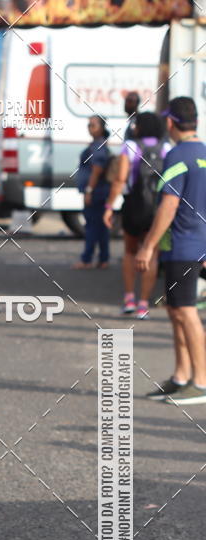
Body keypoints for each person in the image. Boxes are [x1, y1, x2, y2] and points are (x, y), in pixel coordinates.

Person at [136, 96, 206, 405]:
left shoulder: (177, 154)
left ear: (169, 122)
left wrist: (148, 246)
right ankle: (181, 376)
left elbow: (169, 204)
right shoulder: (203, 153)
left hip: (181, 244)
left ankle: (200, 382)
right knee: (176, 309)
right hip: (195, 243)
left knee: (186, 311)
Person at [104, 111, 171, 318]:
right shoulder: (166, 148)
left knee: (130, 252)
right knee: (151, 255)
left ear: (140, 127)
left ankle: (129, 299)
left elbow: (120, 179)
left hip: (133, 207)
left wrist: (109, 206)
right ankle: (143, 305)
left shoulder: (130, 146)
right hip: (157, 209)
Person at [73, 115, 111, 270]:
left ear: (102, 128)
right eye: (89, 125)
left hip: (96, 192)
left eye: (93, 125)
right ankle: (103, 259)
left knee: (92, 226)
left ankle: (87, 259)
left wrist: (89, 190)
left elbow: (97, 170)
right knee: (101, 227)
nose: (90, 128)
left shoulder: (98, 146)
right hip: (100, 191)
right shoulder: (98, 145)